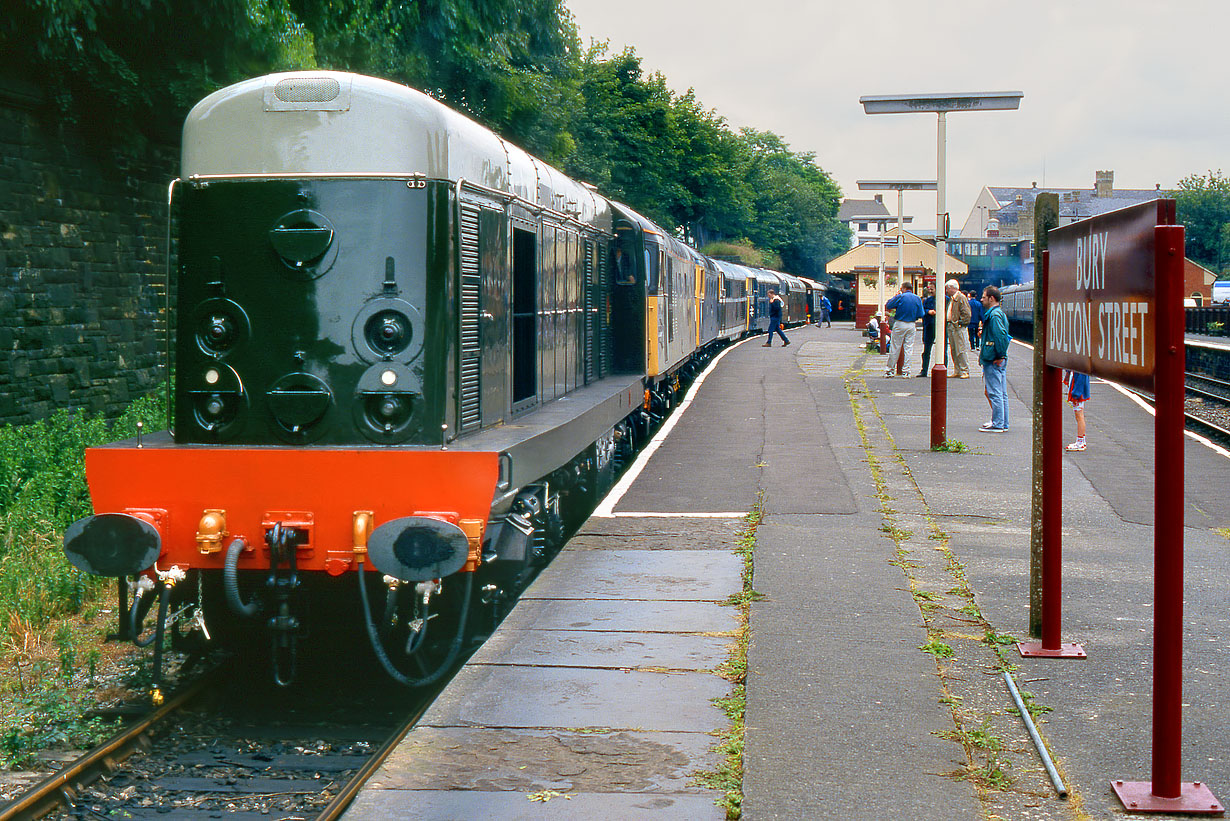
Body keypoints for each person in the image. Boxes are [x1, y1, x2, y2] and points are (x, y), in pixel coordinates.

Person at [978, 285, 1010, 432]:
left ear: (991, 298)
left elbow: (1000, 335)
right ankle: (1003, 422)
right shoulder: (998, 313)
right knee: (1002, 393)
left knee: (995, 392)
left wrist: (1000, 355)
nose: (981, 299)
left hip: (993, 358)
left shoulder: (994, 315)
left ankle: (998, 423)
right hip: (996, 357)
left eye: (984, 297)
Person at [883, 282, 923, 378]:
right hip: (911, 324)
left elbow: (889, 305)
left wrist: (895, 296)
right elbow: (921, 313)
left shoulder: (901, 297)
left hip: (900, 323)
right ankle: (906, 371)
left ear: (904, 288)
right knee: (908, 347)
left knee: (895, 347)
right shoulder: (917, 298)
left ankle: (890, 370)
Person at [945, 280, 972, 378]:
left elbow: (967, 313)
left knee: (960, 349)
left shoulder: (961, 298)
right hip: (952, 326)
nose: (946, 290)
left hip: (958, 327)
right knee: (954, 349)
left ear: (953, 288)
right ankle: (957, 370)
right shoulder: (953, 298)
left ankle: (964, 370)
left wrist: (960, 322)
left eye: (947, 288)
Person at [1064, 369, 1091, 451]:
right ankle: (1081, 440)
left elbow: (1080, 380)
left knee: (1079, 416)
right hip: (1078, 392)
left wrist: (1076, 394)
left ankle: (1080, 442)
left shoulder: (1080, 366)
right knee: (1079, 416)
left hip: (1078, 393)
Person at [918, 286, 937, 376]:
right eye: (929, 289)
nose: (930, 291)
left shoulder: (946, 299)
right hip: (929, 326)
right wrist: (928, 311)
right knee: (926, 350)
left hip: (941, 326)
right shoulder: (928, 300)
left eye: (932, 289)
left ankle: (944, 368)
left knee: (943, 349)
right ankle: (924, 370)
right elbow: (922, 311)